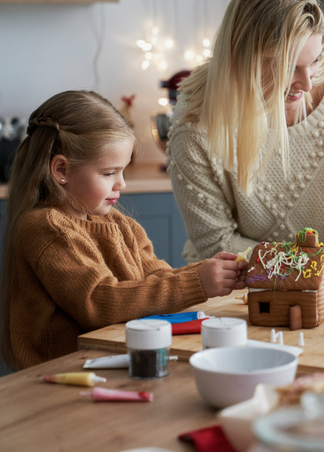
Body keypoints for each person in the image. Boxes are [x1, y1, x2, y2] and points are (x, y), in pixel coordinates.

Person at [166, 0, 324, 294]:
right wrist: (313, 271)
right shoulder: (195, 123)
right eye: (289, 67)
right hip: (239, 293)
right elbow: (217, 244)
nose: (308, 82)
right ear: (242, 58)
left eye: (314, 60)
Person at [0, 90, 248, 371]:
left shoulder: (120, 223)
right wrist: (197, 283)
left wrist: (205, 273)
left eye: (123, 171)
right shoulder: (45, 228)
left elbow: (156, 278)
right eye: (109, 173)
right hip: (62, 375)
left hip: (114, 362)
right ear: (61, 170)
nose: (122, 184)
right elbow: (98, 302)